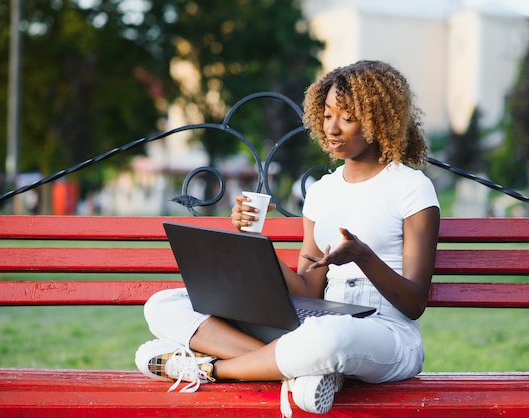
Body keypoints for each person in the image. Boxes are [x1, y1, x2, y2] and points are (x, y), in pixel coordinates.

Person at [134, 60, 440, 416]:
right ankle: (298, 370)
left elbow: (414, 302)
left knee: (327, 338)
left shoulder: (410, 188)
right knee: (165, 304)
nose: (333, 129)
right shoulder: (322, 191)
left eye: (347, 117)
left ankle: (209, 369)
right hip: (317, 318)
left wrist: (362, 256)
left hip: (385, 332)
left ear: (378, 120)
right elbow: (308, 290)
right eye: (327, 116)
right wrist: (253, 241)